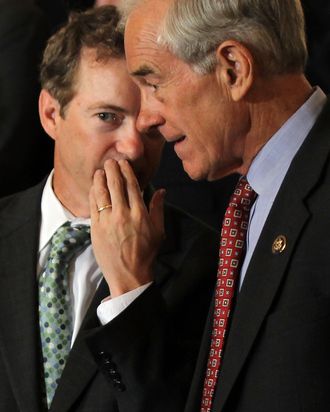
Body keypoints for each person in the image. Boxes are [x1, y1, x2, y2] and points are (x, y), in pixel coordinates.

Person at [87, 0, 330, 411]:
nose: (144, 120)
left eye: (154, 84)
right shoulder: (248, 206)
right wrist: (130, 287)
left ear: (233, 68)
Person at [0, 6, 219, 412]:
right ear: (51, 114)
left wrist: (131, 289)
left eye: (150, 127)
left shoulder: (205, 259)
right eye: (107, 117)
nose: (134, 147)